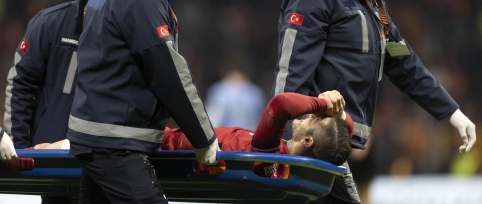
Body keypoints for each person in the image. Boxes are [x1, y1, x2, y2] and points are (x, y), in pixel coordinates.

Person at [272, 0, 476, 204]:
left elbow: (404, 63)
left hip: (345, 144)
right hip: (315, 149)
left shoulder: (374, 5)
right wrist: (286, 142)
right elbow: (291, 71)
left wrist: (452, 112)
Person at [67, 0, 218, 203]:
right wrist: (204, 139)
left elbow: (87, 36)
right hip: (116, 141)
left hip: (91, 135)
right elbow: (170, 75)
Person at [4, 0, 122, 204]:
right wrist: (22, 150)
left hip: (104, 163)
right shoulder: (51, 23)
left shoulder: (125, 35)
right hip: (53, 162)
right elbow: (20, 86)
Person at [34, 91, 352, 177]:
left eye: (316, 119)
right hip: (159, 144)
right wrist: (337, 116)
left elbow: (282, 103)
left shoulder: (269, 154)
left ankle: (22, 156)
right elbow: (344, 134)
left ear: (307, 141)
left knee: (57, 147)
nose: (312, 114)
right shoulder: (282, 168)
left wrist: (324, 102)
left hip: (153, 145)